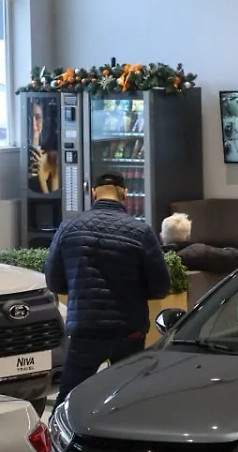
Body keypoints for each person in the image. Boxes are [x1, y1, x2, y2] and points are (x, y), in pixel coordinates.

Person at [44, 173, 170, 403]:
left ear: (93, 193)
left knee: (70, 398)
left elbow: (53, 281)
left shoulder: (68, 227)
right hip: (129, 329)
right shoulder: (140, 231)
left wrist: (79, 289)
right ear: (125, 194)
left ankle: (64, 428)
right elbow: (161, 286)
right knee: (128, 398)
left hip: (85, 328)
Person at [160, 213, 238, 274]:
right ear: (188, 237)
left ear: (161, 237)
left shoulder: (158, 261)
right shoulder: (199, 252)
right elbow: (237, 257)